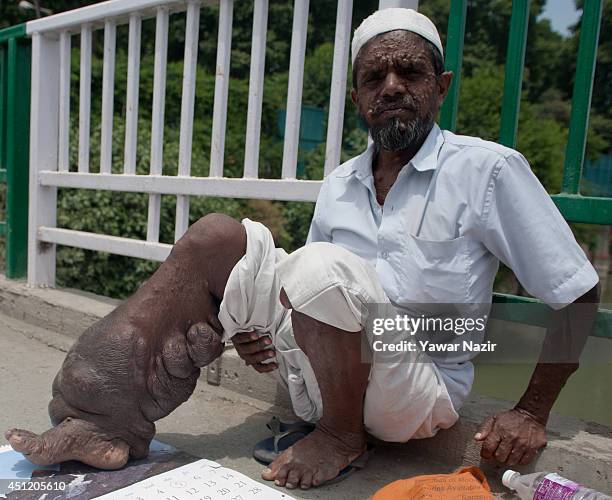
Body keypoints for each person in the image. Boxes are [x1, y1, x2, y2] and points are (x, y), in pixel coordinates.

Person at [229, 7, 600, 491]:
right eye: (374, 77)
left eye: (410, 72)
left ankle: (342, 439)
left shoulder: (486, 171)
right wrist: (250, 326)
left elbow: (578, 293)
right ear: (357, 96)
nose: (391, 87)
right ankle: (120, 404)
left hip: (415, 397)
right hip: (323, 384)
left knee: (321, 266)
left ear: (441, 87)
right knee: (222, 240)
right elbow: (308, 297)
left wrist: (531, 410)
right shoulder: (340, 182)